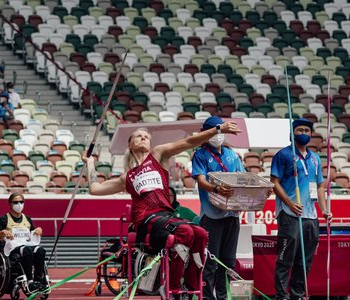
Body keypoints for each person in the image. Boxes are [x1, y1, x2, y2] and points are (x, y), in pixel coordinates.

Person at [83, 121, 241, 299]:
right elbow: (94, 189)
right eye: (138, 136)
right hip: (144, 219)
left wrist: (217, 130)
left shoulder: (158, 155)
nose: (143, 138)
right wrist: (89, 163)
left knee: (201, 234)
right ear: (130, 144)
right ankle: (171, 287)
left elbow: (189, 143)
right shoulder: (126, 177)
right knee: (185, 232)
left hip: (165, 217)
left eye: (146, 137)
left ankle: (190, 287)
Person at [271, 118, 332, 300]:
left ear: (311, 134)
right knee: (285, 259)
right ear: (292, 133)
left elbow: (319, 186)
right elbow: (274, 183)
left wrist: (324, 210)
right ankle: (281, 296)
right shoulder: (283, 155)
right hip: (290, 215)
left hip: (310, 217)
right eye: (299, 130)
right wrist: (290, 203)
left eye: (306, 130)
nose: (303, 133)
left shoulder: (314, 158)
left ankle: (296, 295)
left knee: (305, 261)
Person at [191, 116, 246, 300]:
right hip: (211, 216)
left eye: (221, 130)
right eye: (217, 130)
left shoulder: (232, 155)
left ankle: (223, 296)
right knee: (210, 261)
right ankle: (207, 297)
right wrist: (216, 189)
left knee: (228, 261)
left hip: (232, 214)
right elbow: (200, 180)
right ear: (208, 133)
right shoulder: (200, 155)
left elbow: (243, 179)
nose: (219, 135)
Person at [0, 193, 47, 292]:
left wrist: (38, 230)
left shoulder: (27, 218)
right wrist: (2, 233)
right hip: (11, 248)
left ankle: (39, 280)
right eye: (16, 202)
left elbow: (33, 233)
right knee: (27, 250)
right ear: (10, 204)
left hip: (26, 245)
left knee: (41, 250)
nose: (19, 204)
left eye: (21, 202)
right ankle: (30, 281)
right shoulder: (4, 219)